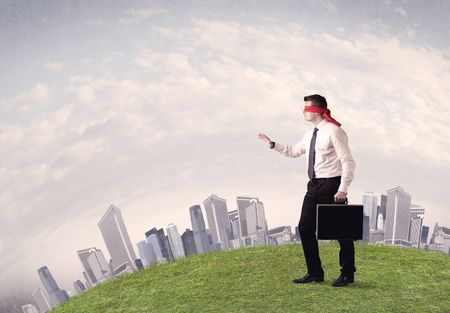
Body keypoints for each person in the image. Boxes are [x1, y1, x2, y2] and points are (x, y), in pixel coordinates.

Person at [258, 94, 356, 287]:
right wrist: (273, 144)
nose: (303, 111)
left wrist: (343, 189)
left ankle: (347, 274)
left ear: (317, 110)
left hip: (332, 184)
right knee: (305, 227)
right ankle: (315, 272)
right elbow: (294, 151)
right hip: (314, 185)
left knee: (341, 231)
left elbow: (348, 162)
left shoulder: (334, 132)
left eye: (306, 108)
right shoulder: (310, 134)